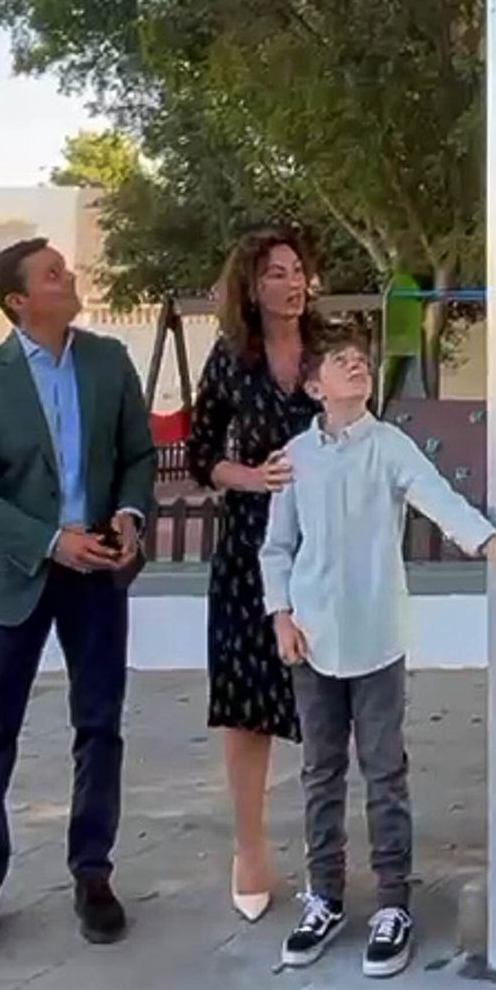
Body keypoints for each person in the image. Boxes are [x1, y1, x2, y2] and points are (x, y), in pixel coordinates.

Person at [261, 324, 496, 976]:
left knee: (384, 770)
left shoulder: (390, 446)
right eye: (340, 362)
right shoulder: (295, 455)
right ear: (314, 385)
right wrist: (280, 616)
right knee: (320, 772)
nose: (356, 367)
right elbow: (277, 547)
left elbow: (440, 501)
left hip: (378, 636)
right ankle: (323, 896)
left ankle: (391, 904)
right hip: (313, 638)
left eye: (361, 360)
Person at [0, 238, 156, 961]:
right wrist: (48, 541)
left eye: (67, 269)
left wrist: (129, 515)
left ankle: (92, 874)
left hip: (97, 572)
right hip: (13, 577)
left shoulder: (108, 363)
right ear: (19, 301)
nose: (71, 279)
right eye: (54, 274)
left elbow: (138, 455)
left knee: (100, 727)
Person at [187, 228, 322, 922]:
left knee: (331, 695)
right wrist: (252, 477)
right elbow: (201, 451)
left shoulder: (332, 351)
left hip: (327, 546)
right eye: (276, 273)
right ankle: (250, 847)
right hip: (249, 543)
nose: (293, 283)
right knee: (247, 700)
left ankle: (327, 856)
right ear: (252, 285)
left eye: (298, 271)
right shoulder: (230, 360)